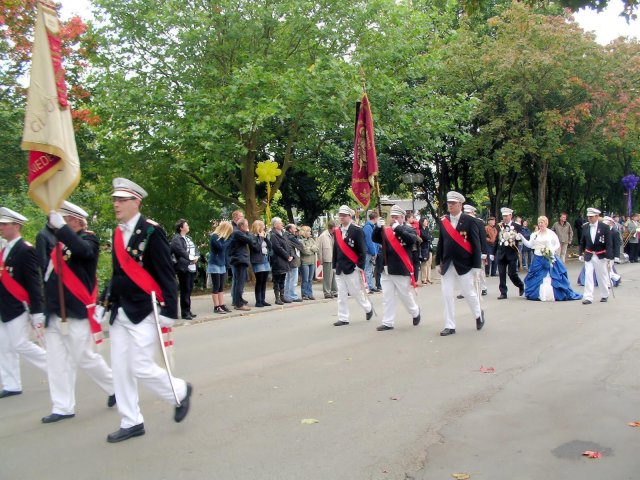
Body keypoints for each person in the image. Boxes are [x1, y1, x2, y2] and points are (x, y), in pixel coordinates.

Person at [96, 178, 192, 443]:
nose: (116, 204)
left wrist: (169, 311)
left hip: (145, 309)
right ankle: (131, 421)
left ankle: (180, 391)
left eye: (121, 200)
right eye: (114, 199)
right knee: (121, 369)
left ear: (135, 202)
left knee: (139, 365)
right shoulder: (117, 233)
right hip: (120, 311)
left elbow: (165, 272)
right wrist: (103, 304)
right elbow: (117, 274)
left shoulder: (151, 231)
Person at [39, 201, 115, 423]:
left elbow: (83, 252)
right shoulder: (59, 243)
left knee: (84, 357)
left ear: (75, 220)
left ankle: (114, 387)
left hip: (76, 310)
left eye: (65, 220)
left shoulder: (89, 239)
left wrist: (61, 230)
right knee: (56, 361)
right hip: (55, 311)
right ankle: (62, 406)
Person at [0, 207, 47, 398]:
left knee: (20, 344)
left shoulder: (25, 250)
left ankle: (54, 366)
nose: (1, 227)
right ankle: (11, 384)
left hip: (18, 306)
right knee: (3, 346)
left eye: (4, 224)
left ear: (16, 226)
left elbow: (33, 282)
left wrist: (37, 310)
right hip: (3, 305)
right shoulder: (4, 249)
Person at [435, 193, 484, 336]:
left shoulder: (469, 221)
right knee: (447, 294)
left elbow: (476, 244)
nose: (450, 205)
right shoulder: (444, 221)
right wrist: (438, 261)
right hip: (448, 263)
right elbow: (441, 243)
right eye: (449, 202)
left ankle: (478, 314)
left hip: (464, 264)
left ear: (460, 205)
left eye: (453, 203)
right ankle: (449, 325)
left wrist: (476, 265)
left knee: (469, 292)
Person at [371, 205, 420, 331]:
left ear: (403, 218)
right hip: (386, 268)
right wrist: (377, 228)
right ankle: (388, 322)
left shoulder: (408, 229)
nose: (393, 219)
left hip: (400, 268)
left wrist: (398, 228)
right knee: (387, 297)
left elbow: (411, 240)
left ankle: (415, 312)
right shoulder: (386, 230)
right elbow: (375, 239)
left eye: (396, 217)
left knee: (405, 296)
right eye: (392, 217)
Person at [519, 216, 582, 301]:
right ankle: (535, 293)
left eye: (542, 222)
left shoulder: (551, 233)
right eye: (539, 222)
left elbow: (557, 244)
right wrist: (522, 237)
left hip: (549, 256)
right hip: (537, 258)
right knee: (533, 275)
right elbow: (530, 245)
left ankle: (554, 293)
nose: (540, 224)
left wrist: (551, 250)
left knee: (555, 274)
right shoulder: (535, 234)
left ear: (546, 223)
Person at [332, 205, 373, 327]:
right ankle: (343, 317)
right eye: (340, 215)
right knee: (341, 294)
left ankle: (368, 308)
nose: (341, 217)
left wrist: (359, 266)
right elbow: (336, 249)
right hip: (340, 267)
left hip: (352, 267)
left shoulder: (357, 230)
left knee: (355, 292)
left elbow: (362, 250)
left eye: (344, 215)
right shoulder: (337, 231)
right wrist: (334, 265)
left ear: (350, 216)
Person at [578, 207, 613, 305]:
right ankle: (588, 297)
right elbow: (582, 241)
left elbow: (608, 243)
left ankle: (605, 294)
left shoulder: (604, 227)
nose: (589, 218)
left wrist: (608, 255)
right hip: (589, 254)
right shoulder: (585, 227)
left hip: (600, 254)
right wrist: (580, 253)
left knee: (601, 275)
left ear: (597, 216)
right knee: (588, 275)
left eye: (591, 217)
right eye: (588, 216)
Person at [578, 216, 621, 287]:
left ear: (610, 223)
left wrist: (616, 256)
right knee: (604, 271)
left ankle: (611, 281)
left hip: (610, 254)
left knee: (607, 270)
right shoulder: (600, 230)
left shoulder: (614, 232)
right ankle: (608, 282)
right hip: (597, 254)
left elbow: (616, 245)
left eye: (607, 223)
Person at [170, 219, 198, 320]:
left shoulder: (188, 238)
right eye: (186, 225)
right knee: (185, 290)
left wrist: (196, 257)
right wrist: (191, 258)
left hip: (191, 266)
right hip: (183, 267)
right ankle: (185, 313)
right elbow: (181, 252)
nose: (188, 226)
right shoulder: (176, 239)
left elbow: (195, 249)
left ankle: (188, 310)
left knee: (189, 289)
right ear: (181, 228)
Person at [496, 207, 525, 299]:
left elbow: (522, 237)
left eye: (506, 216)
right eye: (503, 216)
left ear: (510, 216)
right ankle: (503, 292)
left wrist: (517, 237)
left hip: (512, 253)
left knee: (512, 274)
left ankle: (520, 285)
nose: (504, 218)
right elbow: (498, 239)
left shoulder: (517, 226)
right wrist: (493, 253)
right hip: (501, 253)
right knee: (501, 274)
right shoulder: (500, 226)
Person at [461, 204, 489, 296]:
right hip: (466, 250)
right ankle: (465, 290)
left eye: (469, 213)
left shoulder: (478, 222)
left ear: (473, 212)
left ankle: (483, 287)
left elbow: (482, 238)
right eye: (466, 213)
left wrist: (484, 252)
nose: (467, 214)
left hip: (477, 249)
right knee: (465, 271)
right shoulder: (462, 222)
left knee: (480, 270)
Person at [228, 218, 254, 311]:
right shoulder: (237, 233)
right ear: (242, 226)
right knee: (240, 282)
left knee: (239, 282)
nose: (248, 227)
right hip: (239, 260)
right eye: (246, 225)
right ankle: (239, 304)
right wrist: (248, 232)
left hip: (239, 259)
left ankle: (237, 301)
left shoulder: (238, 233)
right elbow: (251, 240)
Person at [208, 221, 233, 314]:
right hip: (214, 263)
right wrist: (229, 240)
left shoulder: (224, 238)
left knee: (221, 286)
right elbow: (221, 248)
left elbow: (226, 252)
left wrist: (227, 263)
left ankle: (221, 304)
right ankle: (216, 306)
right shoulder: (214, 236)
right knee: (216, 286)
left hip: (222, 264)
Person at [268, 217, 292, 305]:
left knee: (283, 279)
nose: (282, 224)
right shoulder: (273, 235)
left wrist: (291, 255)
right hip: (278, 260)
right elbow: (278, 248)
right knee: (277, 280)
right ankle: (277, 298)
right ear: (275, 225)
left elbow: (288, 245)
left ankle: (282, 297)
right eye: (280, 223)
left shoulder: (283, 233)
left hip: (285, 260)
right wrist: (287, 256)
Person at [249, 220, 272, 307]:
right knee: (259, 280)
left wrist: (265, 238)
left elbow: (270, 246)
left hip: (265, 259)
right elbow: (256, 248)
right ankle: (258, 301)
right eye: (262, 226)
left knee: (264, 281)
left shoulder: (262, 236)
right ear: (258, 227)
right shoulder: (252, 236)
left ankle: (263, 299)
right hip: (258, 260)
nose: (264, 228)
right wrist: (261, 238)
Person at [317, 221, 338, 299]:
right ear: (332, 228)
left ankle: (334, 291)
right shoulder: (323, 236)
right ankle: (327, 292)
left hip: (334, 258)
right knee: (327, 276)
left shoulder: (334, 235)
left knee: (334, 276)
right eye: (335, 228)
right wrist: (320, 260)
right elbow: (319, 249)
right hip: (327, 258)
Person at [284, 224, 304, 303]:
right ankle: (292, 295)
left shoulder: (285, 235)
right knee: (293, 279)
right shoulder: (291, 237)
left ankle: (287, 295)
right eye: (294, 228)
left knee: (288, 278)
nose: (296, 229)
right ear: (290, 229)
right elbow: (301, 246)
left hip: (289, 259)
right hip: (293, 259)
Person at [363, 211, 381, 293]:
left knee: (370, 270)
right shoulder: (368, 227)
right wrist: (374, 252)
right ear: (375, 218)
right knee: (367, 270)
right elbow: (370, 241)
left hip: (370, 251)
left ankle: (370, 285)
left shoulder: (371, 227)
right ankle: (367, 287)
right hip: (368, 252)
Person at [299, 225, 318, 300]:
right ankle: (304, 294)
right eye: (308, 231)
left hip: (312, 262)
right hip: (305, 262)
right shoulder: (301, 241)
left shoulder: (312, 240)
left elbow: (316, 248)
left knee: (310, 279)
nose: (310, 232)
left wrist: (310, 248)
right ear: (304, 232)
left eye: (310, 231)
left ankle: (310, 294)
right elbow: (305, 251)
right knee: (305, 279)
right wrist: (311, 249)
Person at [406, 213, 422, 284]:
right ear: (408, 218)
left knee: (411, 264)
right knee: (415, 264)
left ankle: (411, 280)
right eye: (412, 218)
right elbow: (419, 239)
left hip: (408, 249)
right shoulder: (410, 227)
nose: (413, 219)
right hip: (412, 248)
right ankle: (414, 280)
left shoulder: (402, 227)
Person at [418, 217, 433, 285]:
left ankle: (428, 278)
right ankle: (423, 279)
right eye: (425, 221)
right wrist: (429, 237)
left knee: (429, 264)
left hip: (429, 247)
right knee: (424, 263)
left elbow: (431, 238)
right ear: (422, 222)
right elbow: (426, 237)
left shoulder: (427, 229)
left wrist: (429, 237)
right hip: (423, 248)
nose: (427, 222)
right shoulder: (420, 230)